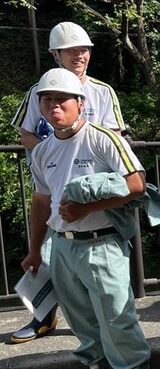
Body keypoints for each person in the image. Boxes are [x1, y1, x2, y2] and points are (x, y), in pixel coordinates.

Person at [21, 68, 150, 369]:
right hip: (63, 247)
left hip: (102, 243)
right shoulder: (42, 152)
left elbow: (137, 183)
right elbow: (41, 201)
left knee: (119, 323)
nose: (54, 106)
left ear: (80, 103)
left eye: (62, 99)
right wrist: (35, 249)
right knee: (84, 327)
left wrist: (87, 208)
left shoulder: (102, 139)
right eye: (47, 100)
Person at [10, 21, 125, 344]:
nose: (80, 55)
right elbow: (26, 132)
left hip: (92, 183)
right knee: (45, 248)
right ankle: (42, 316)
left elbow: (115, 136)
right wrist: (50, 155)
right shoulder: (40, 91)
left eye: (84, 49)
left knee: (94, 248)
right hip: (51, 181)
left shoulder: (102, 91)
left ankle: (96, 324)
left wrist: (79, 153)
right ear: (54, 54)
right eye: (72, 50)